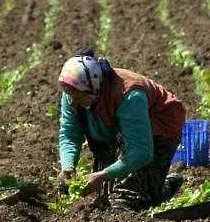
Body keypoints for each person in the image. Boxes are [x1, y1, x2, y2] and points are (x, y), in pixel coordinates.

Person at [57, 48, 186, 210]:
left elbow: (141, 151)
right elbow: (69, 135)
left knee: (124, 200)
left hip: (158, 128)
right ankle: (156, 187)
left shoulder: (129, 95)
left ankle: (157, 188)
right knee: (104, 197)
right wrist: (68, 166)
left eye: (79, 96)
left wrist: (102, 175)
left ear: (94, 87)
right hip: (116, 130)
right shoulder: (73, 93)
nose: (73, 101)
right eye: (71, 95)